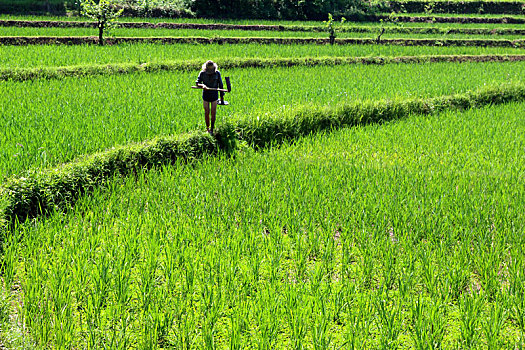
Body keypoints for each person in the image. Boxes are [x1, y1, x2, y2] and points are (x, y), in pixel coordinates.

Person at [195, 60, 225, 135]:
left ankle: (212, 128)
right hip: (206, 94)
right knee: (207, 112)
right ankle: (207, 128)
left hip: (214, 94)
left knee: (213, 112)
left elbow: (220, 85)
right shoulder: (202, 73)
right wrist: (203, 86)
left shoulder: (217, 73)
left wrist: (222, 97)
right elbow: (197, 82)